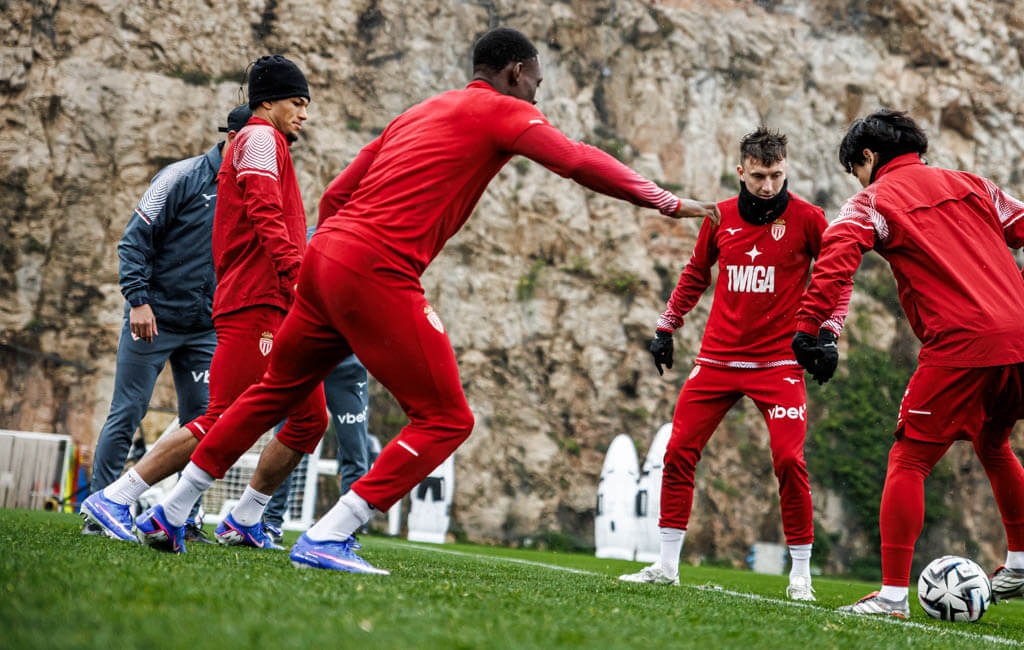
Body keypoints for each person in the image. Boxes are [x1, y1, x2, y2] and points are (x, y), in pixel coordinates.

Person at [139, 27, 719, 571]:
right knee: (446, 418)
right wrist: (665, 201)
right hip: (375, 267)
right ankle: (331, 533)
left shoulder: (420, 110)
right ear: (516, 73)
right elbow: (576, 159)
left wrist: (332, 258)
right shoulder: (507, 111)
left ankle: (171, 509)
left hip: (324, 257)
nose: (537, 96)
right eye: (537, 83)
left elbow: (335, 194)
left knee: (273, 393)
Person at [792, 110, 1024, 617]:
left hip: (962, 342)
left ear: (868, 157)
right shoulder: (974, 185)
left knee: (910, 459)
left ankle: (893, 596)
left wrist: (808, 327)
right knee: (993, 444)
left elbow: (837, 255)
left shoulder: (874, 199)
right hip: (1022, 339)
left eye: (856, 169)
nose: (858, 180)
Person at [81, 55, 326, 554]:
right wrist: (296, 275)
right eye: (297, 102)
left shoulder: (270, 142)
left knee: (309, 419)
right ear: (267, 102)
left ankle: (244, 518)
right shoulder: (259, 138)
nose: (304, 113)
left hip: (267, 305)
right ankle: (115, 498)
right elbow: (264, 211)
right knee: (217, 417)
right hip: (251, 302)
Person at [618, 128, 847, 601]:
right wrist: (666, 326)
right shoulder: (719, 216)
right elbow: (695, 274)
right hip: (717, 359)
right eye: (759, 176)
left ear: (786, 169)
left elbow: (837, 277)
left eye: (776, 175)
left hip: (779, 363)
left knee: (789, 460)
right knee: (678, 452)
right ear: (741, 172)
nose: (768, 185)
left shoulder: (809, 218)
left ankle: (801, 576)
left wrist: (829, 334)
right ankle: (666, 566)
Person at [80, 104, 252, 544]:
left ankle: (182, 517)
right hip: (152, 318)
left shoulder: (253, 187)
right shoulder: (179, 177)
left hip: (207, 328)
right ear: (234, 137)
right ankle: (100, 511)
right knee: (127, 412)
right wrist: (138, 301)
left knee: (204, 421)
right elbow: (132, 243)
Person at [262, 230, 375, 546]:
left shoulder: (373, 248)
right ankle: (270, 522)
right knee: (288, 439)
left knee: (356, 450)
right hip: (307, 358)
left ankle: (345, 533)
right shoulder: (309, 240)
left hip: (349, 367)